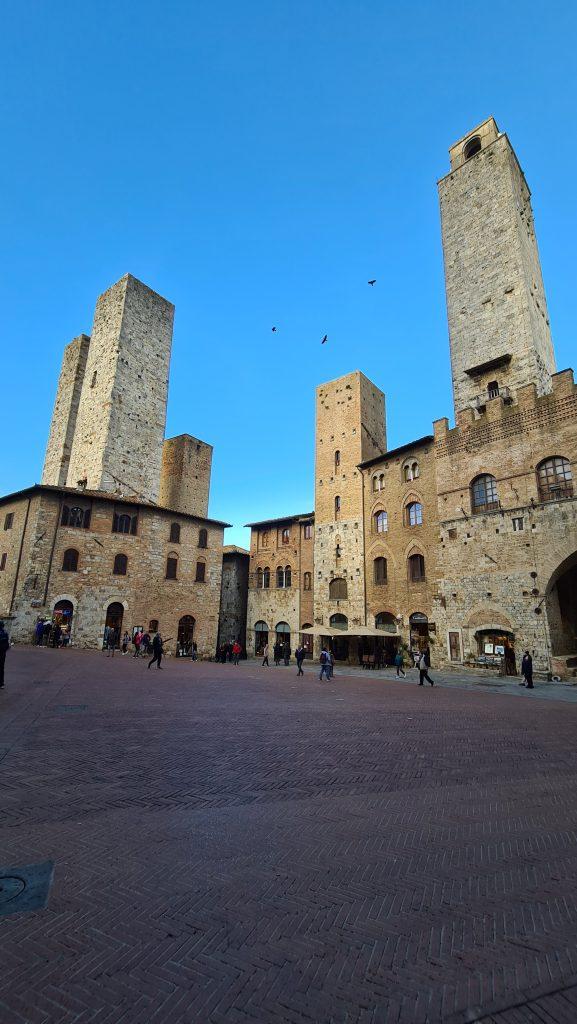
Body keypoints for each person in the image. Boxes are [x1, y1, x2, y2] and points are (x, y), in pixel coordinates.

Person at [0, 620, 9, 688]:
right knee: (1, 667)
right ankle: (1, 683)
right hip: (3, 652)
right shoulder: (5, 633)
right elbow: (7, 644)